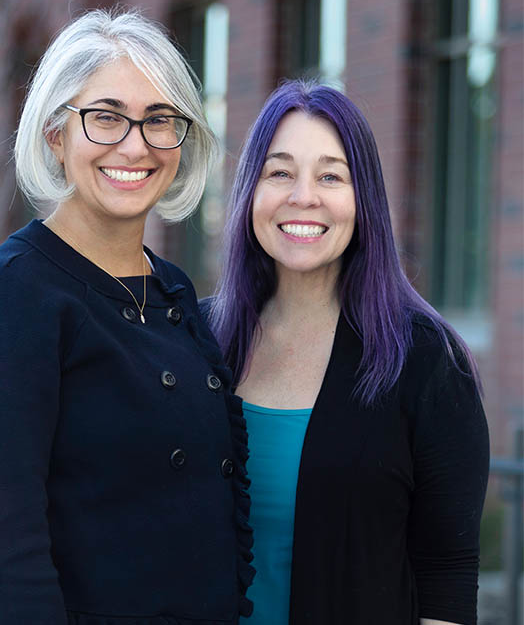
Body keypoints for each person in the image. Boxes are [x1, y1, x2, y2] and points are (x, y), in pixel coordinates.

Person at [0, 9, 253, 624]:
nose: (135, 145)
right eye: (106, 117)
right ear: (56, 134)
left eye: (158, 120)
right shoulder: (16, 292)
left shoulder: (171, 288)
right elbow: (9, 542)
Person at [203, 79, 490, 625]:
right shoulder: (195, 341)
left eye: (331, 175)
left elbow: (447, 581)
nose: (303, 196)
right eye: (280, 172)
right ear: (250, 193)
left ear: (364, 200)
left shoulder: (427, 362)